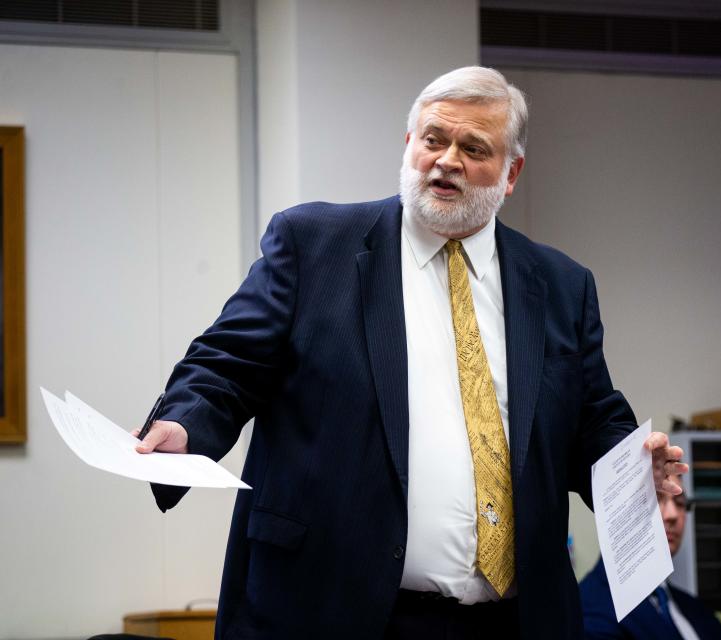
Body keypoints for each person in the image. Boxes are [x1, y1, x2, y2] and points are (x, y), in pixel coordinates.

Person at [134, 66, 687, 639]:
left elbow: (591, 418)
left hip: (513, 622)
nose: (447, 159)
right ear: (408, 145)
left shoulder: (560, 285)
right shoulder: (315, 245)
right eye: (433, 139)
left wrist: (631, 469)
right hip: (333, 609)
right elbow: (225, 365)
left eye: (474, 148)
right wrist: (184, 423)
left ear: (511, 173)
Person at [580, 475, 721, 640]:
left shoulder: (696, 609)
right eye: (655, 497)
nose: (673, 515)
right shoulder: (589, 611)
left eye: (679, 503)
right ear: (619, 512)